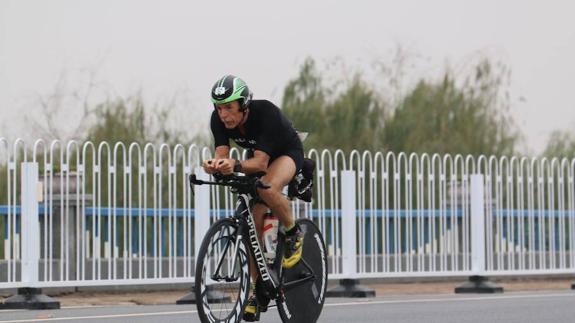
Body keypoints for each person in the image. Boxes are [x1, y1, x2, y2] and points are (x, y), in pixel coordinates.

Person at [202, 75, 304, 321]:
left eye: (229, 107)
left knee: (267, 188)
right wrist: (214, 166)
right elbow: (222, 152)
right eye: (219, 107)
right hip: (257, 156)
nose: (223, 114)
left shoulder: (265, 112)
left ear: (244, 105)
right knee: (253, 220)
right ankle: (254, 292)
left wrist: (234, 164)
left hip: (286, 153)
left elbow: (260, 163)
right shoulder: (218, 120)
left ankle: (293, 233)